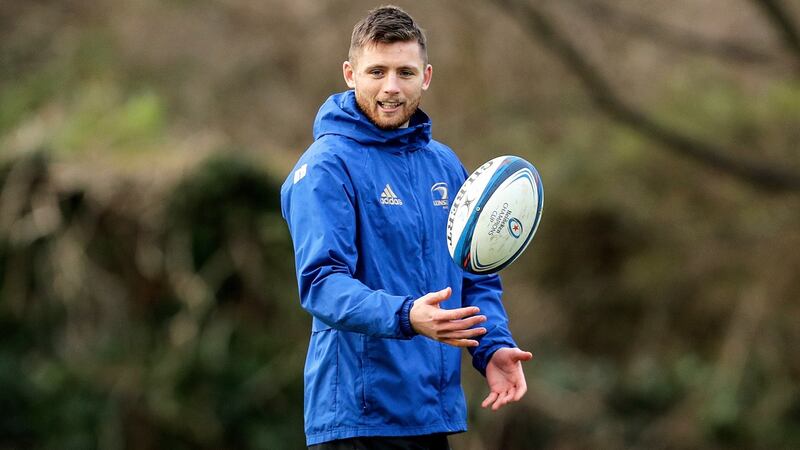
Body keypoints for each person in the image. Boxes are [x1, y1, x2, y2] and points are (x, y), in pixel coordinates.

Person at [280, 5, 533, 449]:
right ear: (350, 73)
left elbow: (476, 272)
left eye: (405, 72)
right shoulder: (325, 168)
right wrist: (407, 315)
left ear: (427, 76)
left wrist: (491, 347)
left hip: (430, 416)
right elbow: (322, 284)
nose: (391, 87)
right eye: (376, 71)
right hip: (358, 421)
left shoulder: (446, 165)